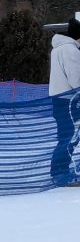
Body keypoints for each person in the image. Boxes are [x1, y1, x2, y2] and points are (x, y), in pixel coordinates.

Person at [49, 16, 80, 184]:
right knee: (68, 136)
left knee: (67, 135)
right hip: (68, 100)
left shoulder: (58, 48)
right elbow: (76, 80)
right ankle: (59, 171)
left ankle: (60, 169)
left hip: (60, 98)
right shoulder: (71, 50)